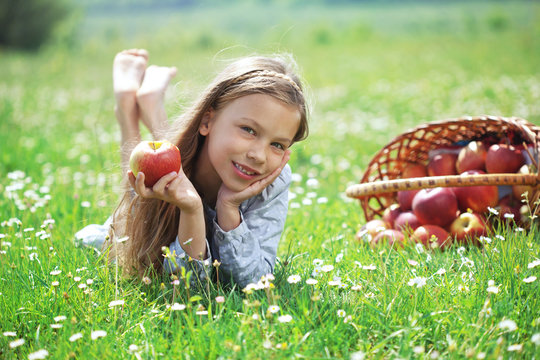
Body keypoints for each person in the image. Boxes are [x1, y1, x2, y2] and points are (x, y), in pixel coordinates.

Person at [75, 49, 309, 289]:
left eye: (277, 144)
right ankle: (127, 108)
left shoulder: (273, 180)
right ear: (207, 121)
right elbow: (185, 285)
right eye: (248, 130)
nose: (258, 156)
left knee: (166, 154)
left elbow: (255, 282)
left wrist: (229, 209)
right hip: (145, 211)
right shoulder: (179, 163)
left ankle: (151, 105)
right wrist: (191, 209)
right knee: (146, 179)